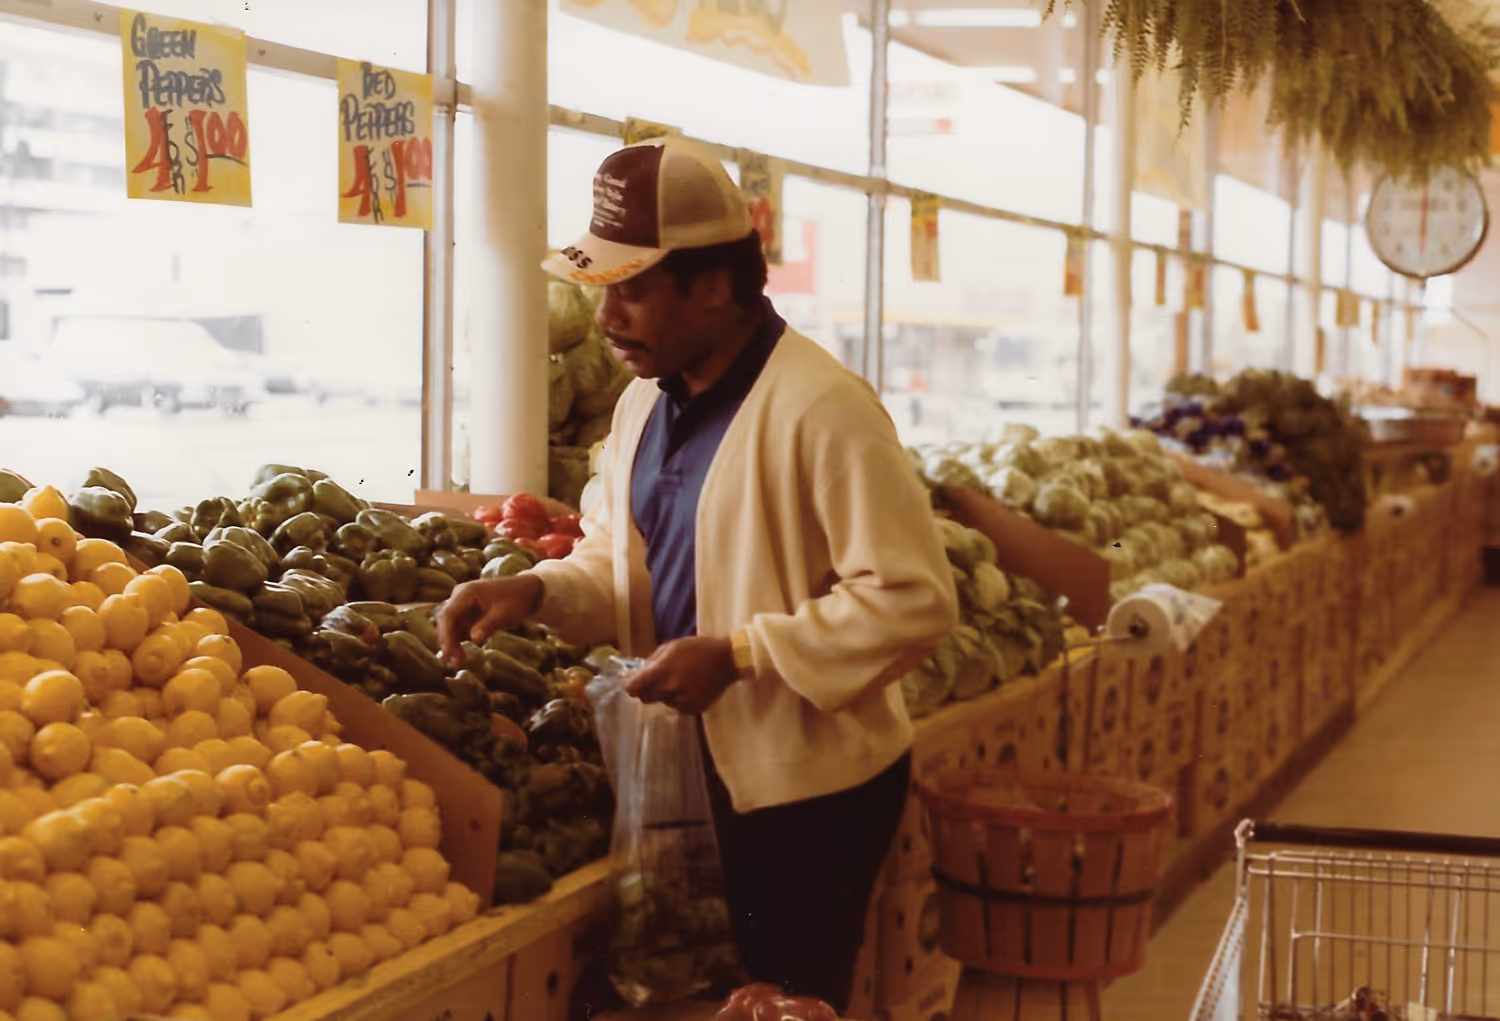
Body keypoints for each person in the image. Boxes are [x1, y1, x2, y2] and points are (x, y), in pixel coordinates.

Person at [436, 137, 958, 1013]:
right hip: (688, 773)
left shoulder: (824, 410)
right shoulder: (643, 401)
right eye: (602, 291)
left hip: (809, 791)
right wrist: (537, 590)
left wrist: (743, 653)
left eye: (630, 291)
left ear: (713, 284)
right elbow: (618, 556)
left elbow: (911, 597)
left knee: (786, 1000)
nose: (606, 321)